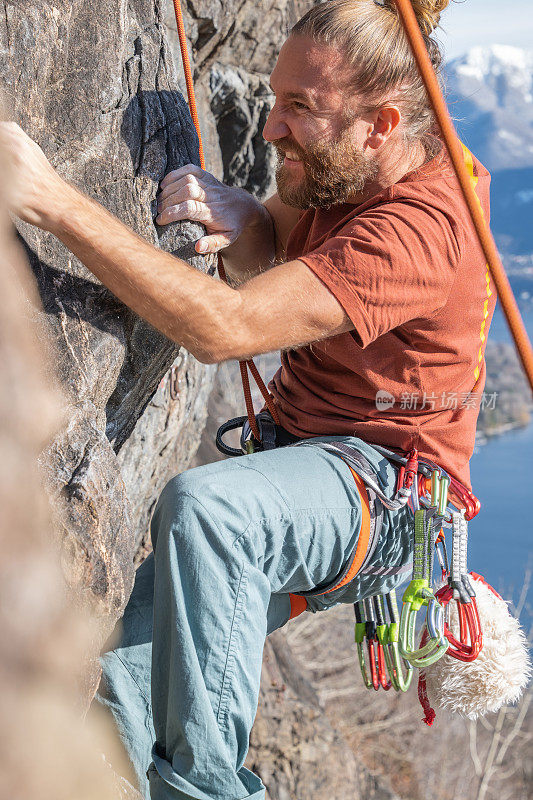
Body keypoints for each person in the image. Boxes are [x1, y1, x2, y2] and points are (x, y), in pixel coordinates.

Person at [1, 1, 495, 798]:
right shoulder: (347, 163)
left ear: (384, 123)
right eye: (275, 98)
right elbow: (289, 270)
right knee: (120, 686)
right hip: (305, 464)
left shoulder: (419, 230)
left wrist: (52, 200)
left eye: (301, 108)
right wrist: (255, 226)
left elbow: (227, 329)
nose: (270, 130)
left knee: (208, 511)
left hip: (385, 488)